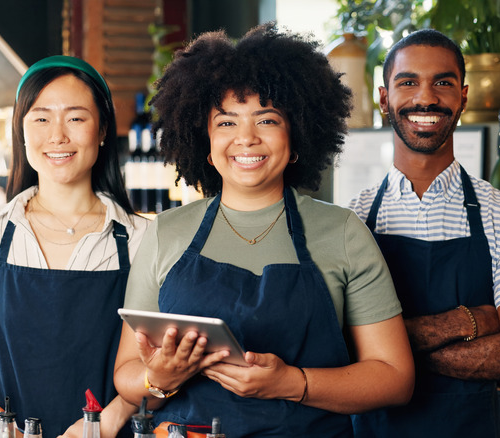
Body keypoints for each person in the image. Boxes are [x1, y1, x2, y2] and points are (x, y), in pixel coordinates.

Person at [113, 23, 414, 437]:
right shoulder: (166, 232)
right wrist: (161, 377)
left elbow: (395, 378)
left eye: (266, 119)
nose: (246, 139)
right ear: (205, 140)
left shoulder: (342, 231)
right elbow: (127, 375)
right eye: (226, 123)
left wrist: (294, 383)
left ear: (297, 136)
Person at [0, 55, 150, 438]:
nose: (57, 135)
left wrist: (107, 421)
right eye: (41, 117)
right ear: (21, 130)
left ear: (102, 130)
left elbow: (163, 364)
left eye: (76, 117)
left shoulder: (140, 240)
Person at [347, 29, 500, 437]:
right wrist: (464, 322)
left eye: (442, 83)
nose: (425, 98)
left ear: (463, 97)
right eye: (408, 82)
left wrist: (388, 354)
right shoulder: (352, 220)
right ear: (383, 98)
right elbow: (335, 344)